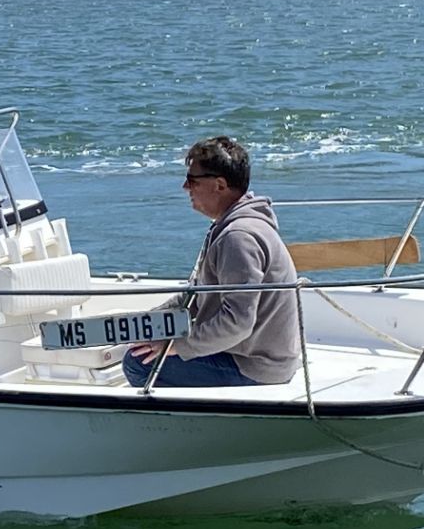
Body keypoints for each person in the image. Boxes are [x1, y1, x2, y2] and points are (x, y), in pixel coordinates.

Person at [124, 136, 302, 389]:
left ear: (219, 185)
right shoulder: (232, 227)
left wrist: (176, 346)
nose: (185, 186)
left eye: (193, 180)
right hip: (251, 354)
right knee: (142, 347)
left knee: (137, 362)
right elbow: (195, 298)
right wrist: (143, 324)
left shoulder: (238, 238)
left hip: (255, 367)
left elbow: (237, 323)